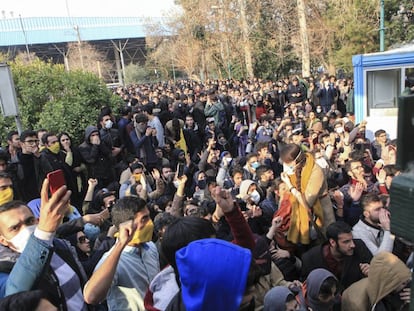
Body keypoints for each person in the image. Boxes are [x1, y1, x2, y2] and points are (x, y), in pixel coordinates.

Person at [0, 180, 89, 310]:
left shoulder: (60, 246)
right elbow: (13, 295)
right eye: (15, 228)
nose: (26, 229)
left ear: (37, 220)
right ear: (3, 240)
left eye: (29, 221)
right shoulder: (4, 267)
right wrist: (43, 234)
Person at [83, 196, 160, 310]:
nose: (150, 223)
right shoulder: (112, 261)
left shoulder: (151, 247)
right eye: (144, 219)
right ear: (127, 225)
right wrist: (121, 245)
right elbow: (91, 297)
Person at [279, 143, 335, 245]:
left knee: (325, 240)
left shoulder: (315, 170)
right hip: (301, 213)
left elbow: (307, 202)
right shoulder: (295, 168)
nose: (286, 166)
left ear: (296, 160)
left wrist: (290, 185)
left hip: (320, 211)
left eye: (288, 163)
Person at [300, 221, 372, 291]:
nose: (352, 245)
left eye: (352, 239)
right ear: (332, 242)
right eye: (346, 242)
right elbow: (307, 289)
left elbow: (374, 271)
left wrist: (371, 271)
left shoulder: (359, 247)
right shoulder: (310, 259)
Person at [342, 252, 411, 311]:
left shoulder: (383, 285)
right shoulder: (357, 303)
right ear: (389, 283)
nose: (407, 285)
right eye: (404, 283)